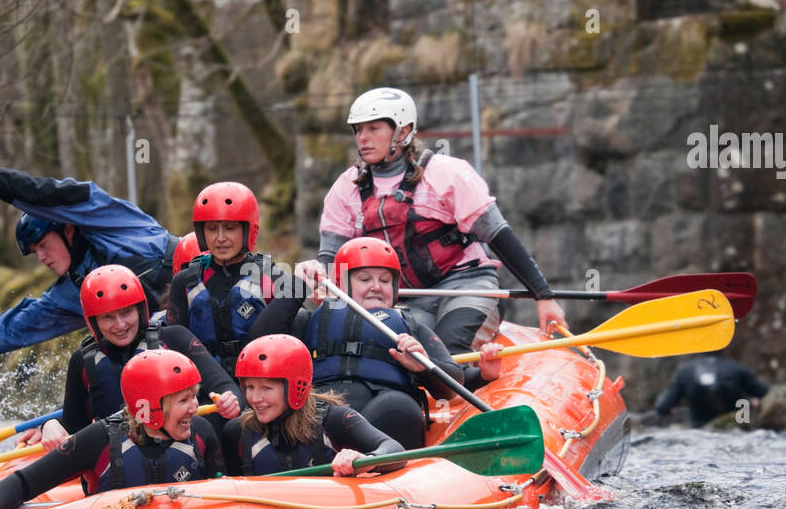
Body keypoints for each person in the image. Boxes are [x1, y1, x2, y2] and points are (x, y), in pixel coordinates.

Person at [308, 87, 568, 354]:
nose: (363, 138)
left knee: (448, 352)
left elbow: (499, 236)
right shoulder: (346, 187)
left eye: (373, 129)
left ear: (402, 131)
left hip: (467, 286)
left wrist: (543, 296)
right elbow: (330, 257)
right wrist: (325, 286)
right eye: (358, 130)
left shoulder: (446, 174)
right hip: (408, 299)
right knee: (400, 354)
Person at [0, 145, 176, 372]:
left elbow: (42, 193)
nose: (41, 258)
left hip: (206, 303)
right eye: (35, 253)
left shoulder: (108, 219)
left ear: (66, 229)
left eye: (43, 245)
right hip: (166, 355)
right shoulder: (70, 295)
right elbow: (8, 330)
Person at [0, 349, 226, 509]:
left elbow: (226, 492)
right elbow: (23, 482)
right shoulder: (99, 438)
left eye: (194, 397)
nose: (195, 408)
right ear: (149, 408)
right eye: (183, 401)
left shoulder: (202, 433)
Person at [251, 236, 461, 450]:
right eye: (365, 279)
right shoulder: (310, 321)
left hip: (384, 418)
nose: (376, 287)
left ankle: (386, 466)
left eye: (385, 281)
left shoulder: (410, 326)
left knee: (399, 407)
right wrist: (297, 287)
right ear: (342, 284)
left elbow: (452, 385)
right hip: (322, 415)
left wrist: (424, 368)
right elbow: (258, 340)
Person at [21, 264, 240, 450]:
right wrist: (48, 425)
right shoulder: (83, 361)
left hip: (183, 457)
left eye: (126, 312)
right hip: (126, 465)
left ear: (140, 310)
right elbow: (74, 427)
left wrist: (230, 400)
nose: (120, 325)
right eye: (108, 317)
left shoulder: (175, 338)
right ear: (93, 322)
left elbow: (225, 387)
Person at [226, 334, 406, 477]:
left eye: (266, 388)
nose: (255, 398)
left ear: (296, 386)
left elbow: (396, 450)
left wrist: (366, 460)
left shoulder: (334, 420)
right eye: (250, 387)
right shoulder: (237, 431)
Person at [164, 182, 278, 376]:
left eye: (230, 228)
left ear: (248, 229)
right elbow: (173, 350)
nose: (220, 238)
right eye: (212, 228)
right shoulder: (184, 281)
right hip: (203, 388)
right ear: (201, 232)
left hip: (259, 385)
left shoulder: (271, 278)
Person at [654, 354, 769, 427]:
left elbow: (662, 407)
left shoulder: (685, 371)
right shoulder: (737, 368)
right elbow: (764, 393)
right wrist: (752, 403)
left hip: (698, 432)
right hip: (733, 430)